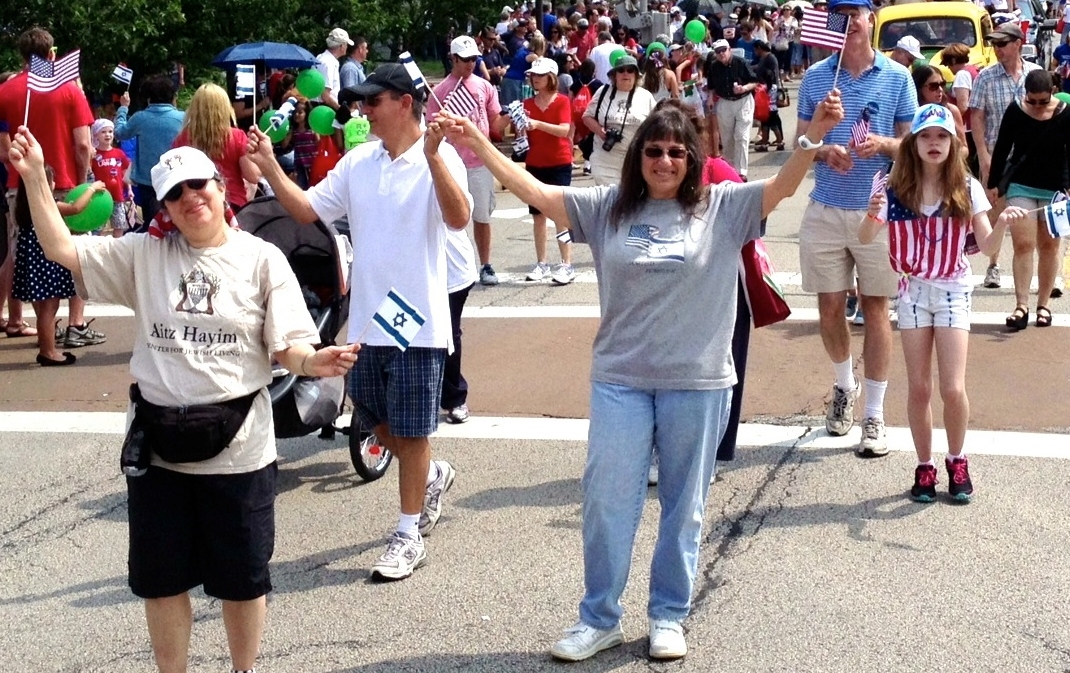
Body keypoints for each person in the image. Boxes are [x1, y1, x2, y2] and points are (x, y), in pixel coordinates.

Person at [436, 84, 843, 664]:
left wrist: (813, 135)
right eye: (654, 151)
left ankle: (668, 615)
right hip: (621, 379)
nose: (665, 161)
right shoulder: (607, 208)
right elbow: (533, 190)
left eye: (677, 153)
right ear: (639, 156)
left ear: (692, 159)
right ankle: (598, 617)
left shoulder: (722, 207)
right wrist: (478, 139)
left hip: (698, 380)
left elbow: (781, 187)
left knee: (684, 505)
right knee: (607, 501)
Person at [9, 131, 358, 671]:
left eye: (200, 185)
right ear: (166, 207)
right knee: (162, 582)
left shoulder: (262, 260)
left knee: (242, 582)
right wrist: (34, 176)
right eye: (176, 193)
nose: (191, 197)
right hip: (159, 451)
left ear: (221, 188)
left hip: (238, 450)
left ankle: (244, 668)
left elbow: (290, 346)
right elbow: (62, 249)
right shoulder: (144, 255)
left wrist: (314, 363)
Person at [246, 63, 471, 581]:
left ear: (404, 103)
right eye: (362, 102)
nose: (363, 110)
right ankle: (432, 474)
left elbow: (458, 218)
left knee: (411, 433)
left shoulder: (439, 157)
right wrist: (270, 167)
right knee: (370, 418)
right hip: (371, 318)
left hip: (419, 319)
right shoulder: (359, 161)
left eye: (374, 101)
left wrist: (434, 157)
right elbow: (306, 210)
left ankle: (408, 534)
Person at [859, 104, 1020, 503]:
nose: (934, 144)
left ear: (954, 144)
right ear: (913, 144)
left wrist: (1000, 223)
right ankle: (925, 465)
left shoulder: (967, 187)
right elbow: (866, 237)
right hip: (912, 290)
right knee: (919, 387)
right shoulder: (892, 187)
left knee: (952, 387)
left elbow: (985, 246)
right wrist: (870, 214)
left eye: (942, 137)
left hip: (952, 288)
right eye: (926, 137)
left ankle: (957, 459)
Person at [796, 0, 917, 456]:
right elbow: (800, 143)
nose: (849, 25)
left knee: (877, 308)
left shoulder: (898, 76)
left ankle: (875, 414)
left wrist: (883, 143)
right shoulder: (816, 78)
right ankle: (844, 387)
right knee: (830, 308)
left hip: (878, 206)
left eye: (857, 15)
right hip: (826, 205)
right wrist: (824, 148)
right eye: (840, 17)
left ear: (871, 19)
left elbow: (913, 141)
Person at [0, 27, 106, 348]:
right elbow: (83, 145)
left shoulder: (5, 92)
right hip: (65, 185)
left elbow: (4, 151)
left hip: (19, 187)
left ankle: (30, 322)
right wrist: (85, 179)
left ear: (22, 55)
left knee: (22, 255)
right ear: (51, 54)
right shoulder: (70, 91)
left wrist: (21, 172)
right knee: (74, 255)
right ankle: (75, 323)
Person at [987, 70, 1069, 329]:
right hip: (1021, 184)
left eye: (1042, 101)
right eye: (1031, 100)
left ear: (1052, 94)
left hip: (1055, 188)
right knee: (1023, 243)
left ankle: (1043, 304)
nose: (1036, 106)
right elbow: (1002, 147)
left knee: (1049, 246)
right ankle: (1021, 305)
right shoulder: (1015, 111)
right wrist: (993, 184)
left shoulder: (1065, 112)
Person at [428, 36, 512, 287]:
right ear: (453, 59)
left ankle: (486, 264)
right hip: (452, 162)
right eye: (465, 59)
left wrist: (510, 118)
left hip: (479, 160)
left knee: (482, 216)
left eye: (474, 59)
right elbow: (433, 129)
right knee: (452, 218)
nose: (471, 64)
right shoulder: (440, 91)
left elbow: (495, 124)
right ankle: (453, 267)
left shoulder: (484, 86)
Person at [969, 22, 1041, 289]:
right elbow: (976, 116)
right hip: (997, 154)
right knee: (994, 212)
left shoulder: (1035, 74)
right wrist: (984, 155)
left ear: (1018, 43)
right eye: (994, 44)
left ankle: (1037, 270)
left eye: (1002, 43)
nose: (997, 49)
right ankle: (993, 265)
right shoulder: (986, 76)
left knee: (1033, 216)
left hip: (1030, 158)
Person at [521, 57, 576, 284]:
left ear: (551, 77)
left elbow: (564, 131)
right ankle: (541, 262)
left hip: (559, 162)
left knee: (560, 216)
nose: (535, 78)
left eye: (540, 75)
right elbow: (524, 134)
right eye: (533, 75)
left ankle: (566, 263)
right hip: (535, 162)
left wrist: (538, 125)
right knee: (538, 216)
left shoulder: (562, 101)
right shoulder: (527, 104)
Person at [173, 83, 261, 210]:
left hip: (196, 206)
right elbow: (253, 176)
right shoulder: (236, 136)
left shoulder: (182, 139)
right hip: (233, 204)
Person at [114, 76, 185, 228]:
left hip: (148, 181)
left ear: (147, 98)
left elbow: (119, 133)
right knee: (177, 222)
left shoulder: (140, 118)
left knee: (153, 224)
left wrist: (123, 109)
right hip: (176, 177)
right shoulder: (183, 118)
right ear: (173, 97)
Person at [582, 55, 658, 185]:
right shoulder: (603, 92)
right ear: (614, 75)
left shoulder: (646, 96)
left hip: (635, 159)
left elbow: (656, 125)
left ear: (636, 75)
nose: (625, 74)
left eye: (630, 70)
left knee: (630, 200)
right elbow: (587, 117)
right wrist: (601, 132)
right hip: (605, 157)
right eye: (621, 70)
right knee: (609, 198)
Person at [704, 39, 760, 179]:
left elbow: (754, 81)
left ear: (729, 50)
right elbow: (711, 86)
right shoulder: (714, 66)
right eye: (718, 51)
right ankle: (730, 170)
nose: (721, 53)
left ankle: (741, 172)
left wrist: (744, 88)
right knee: (727, 139)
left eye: (724, 50)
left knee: (741, 136)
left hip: (743, 101)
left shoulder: (740, 62)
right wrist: (710, 98)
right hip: (725, 101)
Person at [90, 119, 134, 237]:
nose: (107, 135)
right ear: (96, 135)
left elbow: (125, 173)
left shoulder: (119, 153)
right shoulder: (93, 155)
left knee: (119, 226)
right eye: (103, 132)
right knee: (97, 227)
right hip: (100, 198)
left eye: (110, 131)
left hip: (118, 197)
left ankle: (117, 249)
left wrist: (129, 190)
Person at [940, 43, 980, 174]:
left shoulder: (962, 75)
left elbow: (962, 105)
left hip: (966, 129)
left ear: (952, 60)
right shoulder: (973, 70)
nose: (949, 68)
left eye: (947, 64)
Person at [913, 66, 968, 148]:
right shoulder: (910, 112)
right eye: (933, 86)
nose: (940, 90)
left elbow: (964, 147)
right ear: (919, 88)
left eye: (942, 84)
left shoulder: (951, 110)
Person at [753, 40, 785, 152]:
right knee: (769, 124)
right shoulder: (764, 59)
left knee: (773, 124)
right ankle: (769, 141)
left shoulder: (771, 58)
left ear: (759, 48)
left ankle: (778, 140)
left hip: (769, 106)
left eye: (755, 49)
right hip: (769, 107)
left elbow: (774, 74)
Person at [315, 28, 352, 109]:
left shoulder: (321, 57)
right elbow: (325, 96)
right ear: (342, 46)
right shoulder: (329, 63)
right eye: (346, 44)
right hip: (324, 109)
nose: (347, 47)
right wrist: (341, 110)